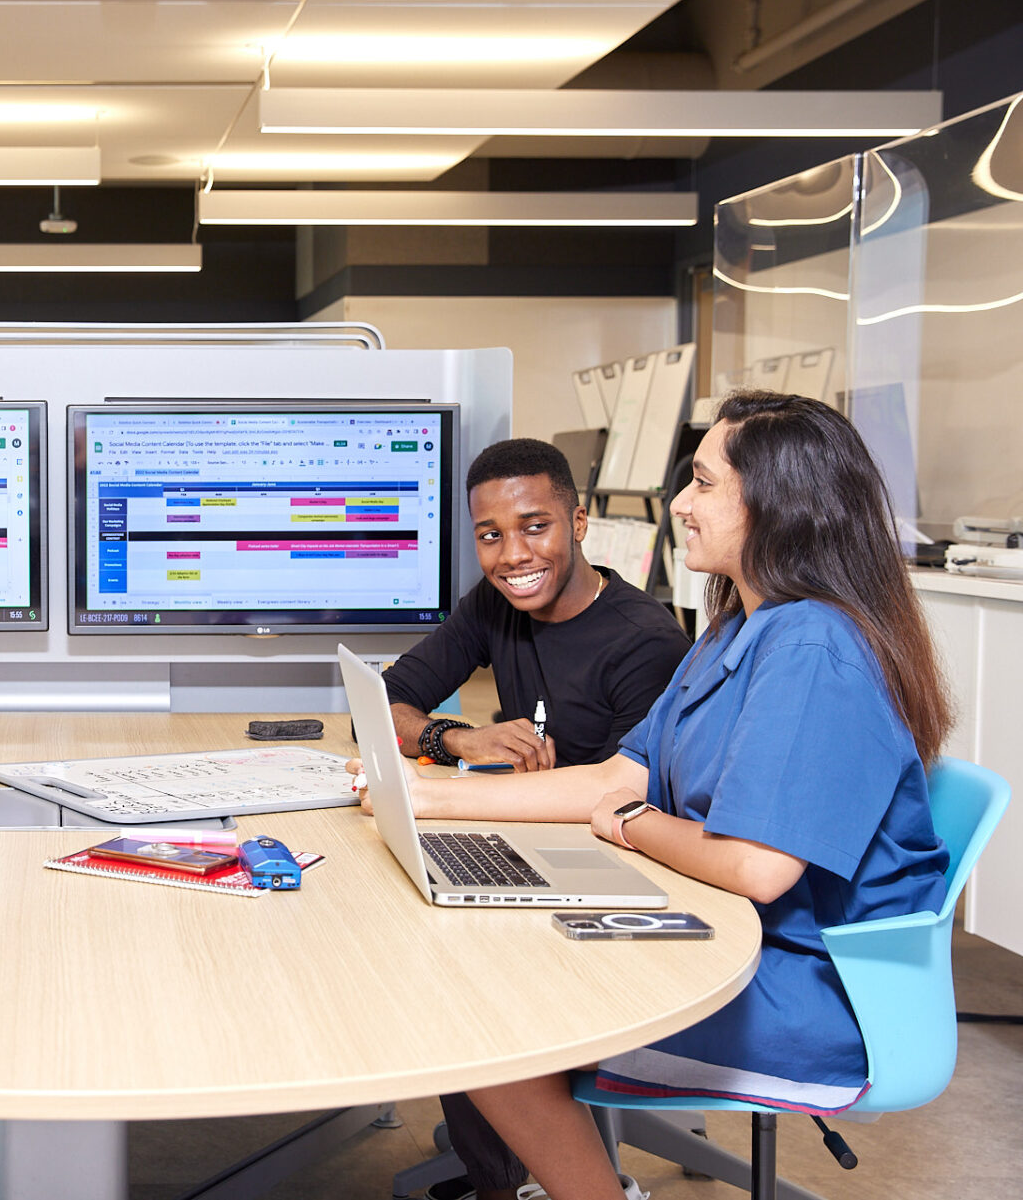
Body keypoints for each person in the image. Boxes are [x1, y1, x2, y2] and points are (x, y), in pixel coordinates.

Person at [390, 392, 951, 1200]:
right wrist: (428, 797)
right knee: (482, 959)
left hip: (814, 991)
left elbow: (755, 866)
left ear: (780, 504)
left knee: (485, 1007)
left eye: (704, 483)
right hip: (741, 941)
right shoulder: (732, 633)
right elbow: (616, 775)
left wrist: (633, 825)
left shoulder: (814, 647)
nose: (680, 504)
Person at [353, 438, 693, 1200]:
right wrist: (456, 736)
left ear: (579, 522)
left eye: (535, 526)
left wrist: (449, 790)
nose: (512, 555)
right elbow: (386, 704)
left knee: (466, 972)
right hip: (534, 849)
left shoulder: (644, 641)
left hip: (627, 880)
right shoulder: (496, 606)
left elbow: (623, 799)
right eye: (490, 535)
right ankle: (510, 1169)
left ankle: (525, 1178)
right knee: (424, 924)